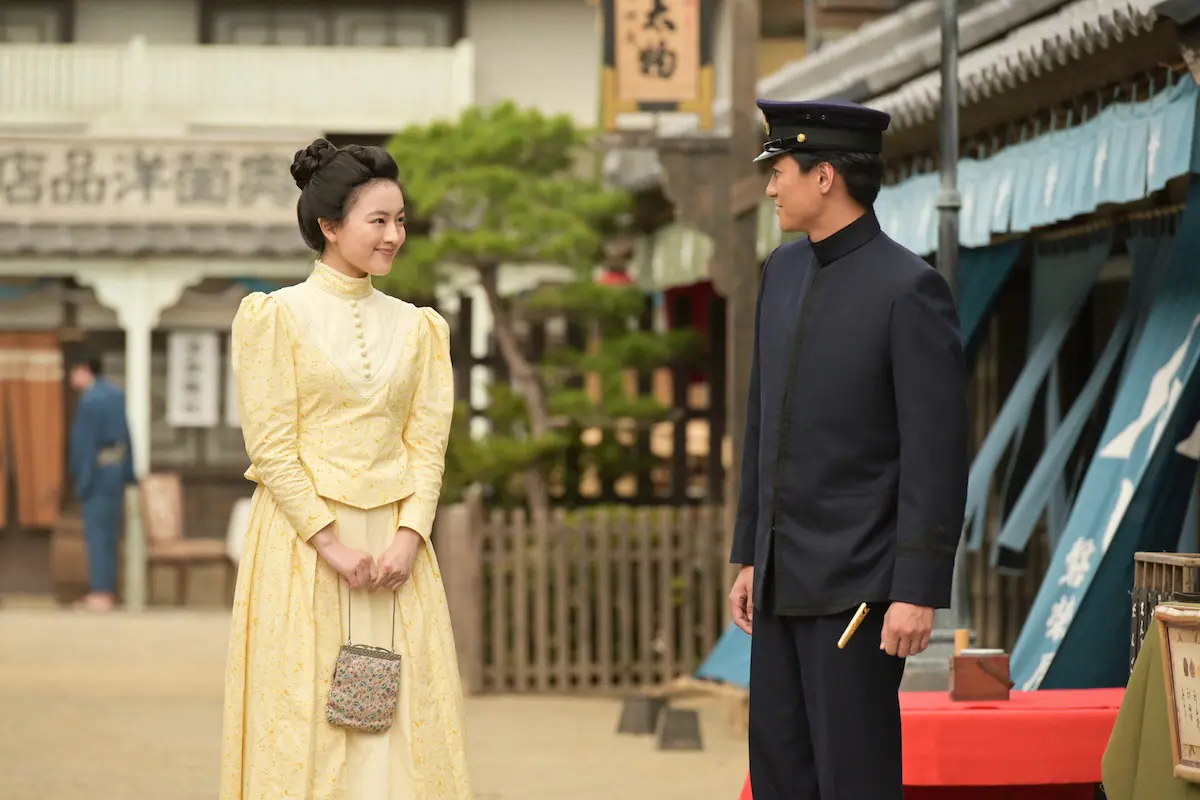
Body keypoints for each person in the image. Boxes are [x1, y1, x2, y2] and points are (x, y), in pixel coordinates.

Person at [726, 99, 970, 800]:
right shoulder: (781, 271)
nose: (771, 187)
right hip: (779, 581)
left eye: (780, 171)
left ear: (825, 176)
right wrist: (750, 552)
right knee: (779, 776)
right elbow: (762, 421)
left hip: (860, 590)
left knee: (853, 779)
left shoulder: (909, 288)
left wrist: (917, 591)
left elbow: (935, 451)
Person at [219, 139, 472, 799]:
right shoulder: (276, 317)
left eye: (400, 221)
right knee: (304, 717)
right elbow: (271, 444)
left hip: (395, 550)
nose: (394, 236)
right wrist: (329, 542)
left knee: (403, 720)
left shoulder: (419, 328)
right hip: (304, 546)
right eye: (378, 220)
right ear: (330, 226)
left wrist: (410, 536)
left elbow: (428, 441)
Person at [67, 353, 136, 613]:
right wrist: (128, 473)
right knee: (109, 536)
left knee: (97, 536)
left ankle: (100, 593)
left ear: (85, 370)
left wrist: (82, 480)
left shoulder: (91, 400)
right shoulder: (115, 395)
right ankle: (107, 590)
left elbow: (85, 445)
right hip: (114, 474)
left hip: (96, 475)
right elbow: (127, 436)